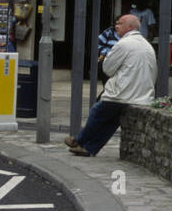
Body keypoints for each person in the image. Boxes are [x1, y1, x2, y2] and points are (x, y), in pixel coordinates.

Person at [65, 14, 157, 156]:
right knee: (112, 122)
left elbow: (107, 68)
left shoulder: (123, 44)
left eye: (120, 23)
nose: (116, 26)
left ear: (130, 27)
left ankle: (79, 140)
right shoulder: (147, 45)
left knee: (98, 111)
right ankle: (89, 149)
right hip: (142, 96)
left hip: (121, 94)